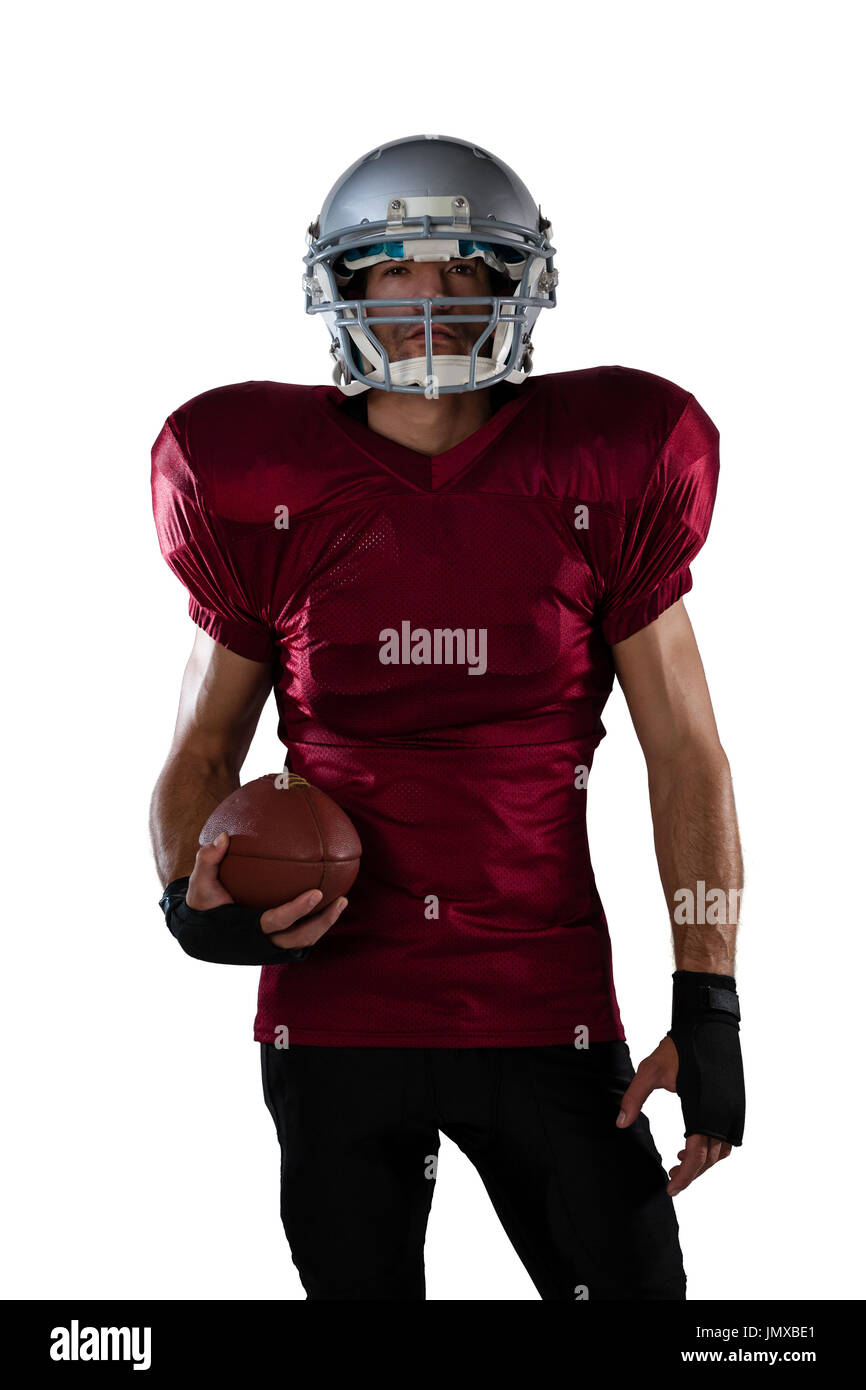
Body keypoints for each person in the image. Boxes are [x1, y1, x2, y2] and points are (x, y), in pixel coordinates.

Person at [150, 133, 745, 1301]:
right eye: (395, 271)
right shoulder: (263, 492)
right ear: (343, 289)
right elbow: (201, 748)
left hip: (544, 1009)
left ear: (518, 287)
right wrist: (186, 895)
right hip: (333, 1016)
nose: (431, 301)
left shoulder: (602, 473)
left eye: (467, 269)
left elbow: (685, 754)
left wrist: (708, 1000)